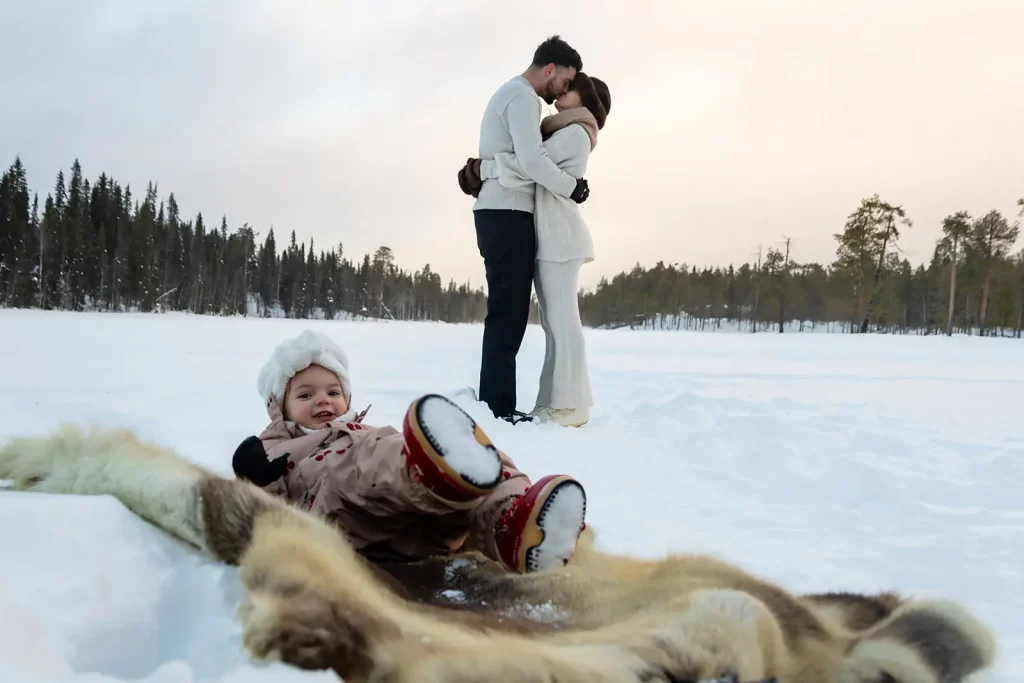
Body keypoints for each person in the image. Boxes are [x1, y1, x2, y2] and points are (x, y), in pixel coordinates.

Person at [231, 329, 587, 573]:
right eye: (306, 395)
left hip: (414, 523)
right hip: (342, 518)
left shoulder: (362, 431)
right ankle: (435, 476)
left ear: (347, 399)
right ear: (279, 406)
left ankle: (510, 523)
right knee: (371, 458)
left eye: (332, 392)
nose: (323, 400)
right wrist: (257, 479)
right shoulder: (276, 445)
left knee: (480, 465)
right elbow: (264, 509)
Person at [475, 73, 611, 428]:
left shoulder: (575, 133)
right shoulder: (564, 130)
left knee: (563, 323)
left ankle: (569, 406)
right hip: (551, 236)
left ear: (587, 99)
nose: (562, 91)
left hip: (560, 237)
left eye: (572, 87)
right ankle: (556, 402)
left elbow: (527, 164)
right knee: (555, 323)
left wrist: (482, 169)